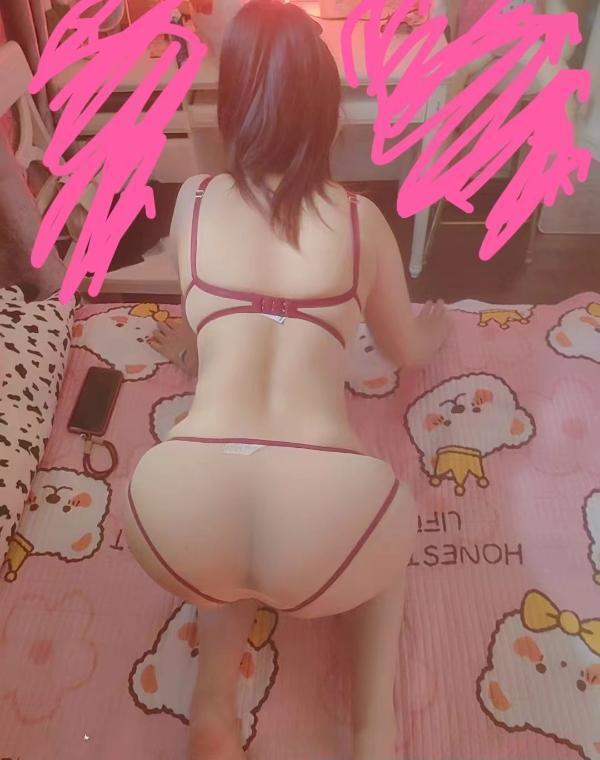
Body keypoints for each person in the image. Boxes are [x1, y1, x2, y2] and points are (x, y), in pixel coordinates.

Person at [123, 2, 451, 759]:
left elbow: (216, 332)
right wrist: (435, 330)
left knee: (225, 552)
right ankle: (372, 732)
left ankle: (213, 706)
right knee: (385, 531)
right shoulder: (362, 223)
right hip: (326, 530)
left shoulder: (192, 203)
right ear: (328, 115)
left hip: (173, 512)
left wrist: (187, 350)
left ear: (234, 107)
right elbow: (403, 350)